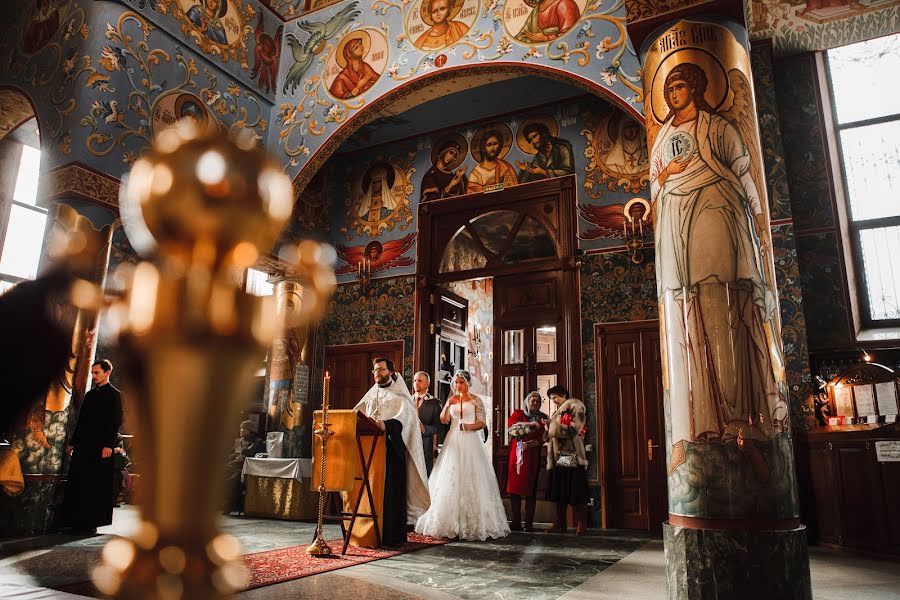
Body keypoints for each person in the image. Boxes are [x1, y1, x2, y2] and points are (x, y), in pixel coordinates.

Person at [650, 62, 787, 478]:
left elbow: (744, 176)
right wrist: (667, 175)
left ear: (695, 88)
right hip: (675, 226)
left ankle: (741, 430)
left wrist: (761, 219)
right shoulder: (661, 141)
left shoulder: (718, 128)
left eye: (679, 86)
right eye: (668, 87)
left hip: (715, 215)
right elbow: (656, 183)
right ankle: (687, 435)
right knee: (681, 323)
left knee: (722, 317)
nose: (673, 94)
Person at [415, 370, 509, 541]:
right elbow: (444, 421)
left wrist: (468, 427)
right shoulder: (452, 400)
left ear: (468, 383)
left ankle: (472, 523)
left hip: (470, 441)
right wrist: (447, 405)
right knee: (449, 478)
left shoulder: (475, 400)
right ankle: (448, 522)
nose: (458, 385)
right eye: (456, 383)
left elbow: (482, 422)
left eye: (462, 382)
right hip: (453, 441)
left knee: (471, 478)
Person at [354, 358, 430, 544]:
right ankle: (368, 531)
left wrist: (386, 425)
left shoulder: (400, 396)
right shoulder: (370, 395)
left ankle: (390, 536)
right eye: (374, 370)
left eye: (381, 369)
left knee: (390, 494)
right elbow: (357, 415)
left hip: (391, 453)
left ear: (391, 372)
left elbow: (406, 421)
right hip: (369, 453)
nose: (377, 373)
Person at [64, 360, 124, 534]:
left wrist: (108, 445)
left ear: (107, 373)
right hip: (84, 446)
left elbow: (115, 422)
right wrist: (73, 442)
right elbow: (82, 421)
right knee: (79, 481)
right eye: (92, 373)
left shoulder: (114, 395)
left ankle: (91, 523)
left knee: (95, 484)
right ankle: (75, 521)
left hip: (100, 447)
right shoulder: (90, 395)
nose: (94, 376)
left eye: (97, 372)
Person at [544, 385, 589, 535]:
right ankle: (560, 522)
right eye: (551, 399)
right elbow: (552, 433)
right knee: (560, 489)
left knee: (574, 488)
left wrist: (553, 426)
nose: (554, 401)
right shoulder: (558, 412)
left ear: (563, 395)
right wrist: (548, 428)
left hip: (570, 453)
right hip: (559, 455)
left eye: (555, 397)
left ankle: (581, 524)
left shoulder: (575, 407)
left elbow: (575, 429)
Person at [506, 391, 547, 532]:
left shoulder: (543, 418)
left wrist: (530, 444)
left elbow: (544, 437)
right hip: (516, 455)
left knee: (531, 490)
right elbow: (511, 427)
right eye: (532, 400)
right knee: (514, 490)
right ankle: (516, 522)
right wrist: (531, 424)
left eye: (538, 401)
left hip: (532, 456)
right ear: (527, 401)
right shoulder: (518, 414)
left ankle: (528, 523)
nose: (535, 403)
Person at [224, 419, 266, 514]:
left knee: (235, 479)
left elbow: (259, 456)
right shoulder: (237, 441)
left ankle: (230, 505)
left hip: (246, 468)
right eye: (240, 429)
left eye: (243, 429)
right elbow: (229, 455)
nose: (241, 431)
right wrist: (235, 457)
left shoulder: (257, 442)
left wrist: (244, 458)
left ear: (250, 430)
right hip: (233, 465)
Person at [466, 129, 517, 194]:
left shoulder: (506, 168)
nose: (493, 148)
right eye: (489, 145)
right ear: (483, 148)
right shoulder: (475, 173)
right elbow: (470, 195)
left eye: (495, 144)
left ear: (499, 145)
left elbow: (513, 190)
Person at [412, 371, 442, 475]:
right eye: (415, 380)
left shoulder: (435, 403)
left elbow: (439, 428)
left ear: (427, 384)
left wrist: (424, 429)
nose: (416, 383)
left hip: (425, 448)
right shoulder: (407, 401)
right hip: (407, 447)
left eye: (419, 381)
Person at [329, 35, 378, 99]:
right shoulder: (342, 77)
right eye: (356, 47)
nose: (360, 47)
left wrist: (366, 86)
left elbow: (375, 79)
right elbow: (338, 94)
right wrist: (352, 93)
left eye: (360, 44)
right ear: (349, 54)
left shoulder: (365, 66)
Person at [514, 0, 580, 43]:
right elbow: (523, 34)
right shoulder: (536, 10)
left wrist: (545, 38)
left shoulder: (564, 4)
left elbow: (570, 36)